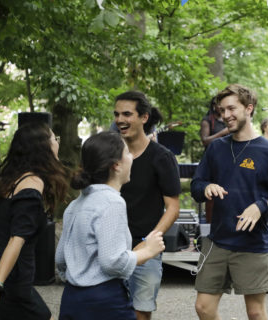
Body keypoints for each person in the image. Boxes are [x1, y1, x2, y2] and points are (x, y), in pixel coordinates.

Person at [191, 84, 268, 320]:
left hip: (252, 244)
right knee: (203, 307)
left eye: (231, 108)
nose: (225, 115)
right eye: (222, 110)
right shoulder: (216, 149)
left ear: (249, 108)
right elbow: (196, 186)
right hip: (218, 240)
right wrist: (206, 187)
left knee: (255, 312)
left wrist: (261, 205)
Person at [55, 132, 165, 320]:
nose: (132, 157)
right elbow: (113, 262)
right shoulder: (112, 202)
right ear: (116, 165)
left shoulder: (75, 205)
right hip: (104, 302)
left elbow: (60, 260)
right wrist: (148, 251)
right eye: (128, 153)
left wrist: (80, 278)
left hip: (72, 299)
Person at [0, 122, 69, 320]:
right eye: (55, 139)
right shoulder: (32, 187)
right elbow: (15, 240)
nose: (58, 143)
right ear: (43, 148)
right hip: (8, 280)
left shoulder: (17, 179)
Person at [113, 91, 181, 320]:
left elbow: (172, 207)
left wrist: (149, 243)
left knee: (139, 313)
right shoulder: (111, 154)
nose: (120, 119)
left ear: (144, 117)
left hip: (145, 250)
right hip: (110, 248)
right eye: (116, 114)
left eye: (126, 114)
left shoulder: (162, 157)